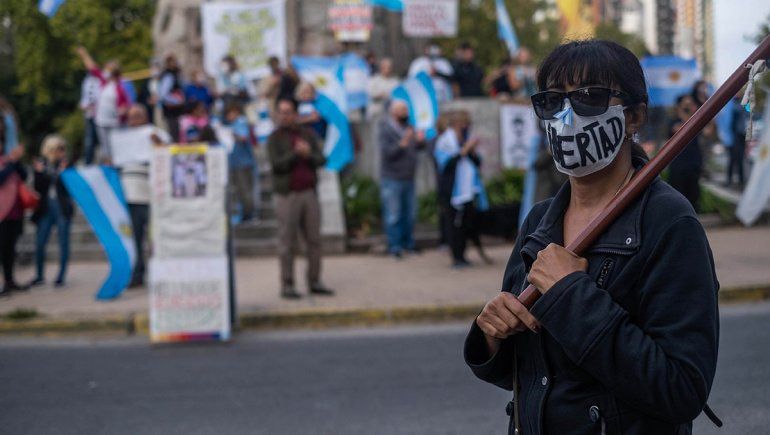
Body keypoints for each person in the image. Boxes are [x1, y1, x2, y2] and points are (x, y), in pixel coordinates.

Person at [465, 40, 719, 434]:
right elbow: (532, 374)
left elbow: (681, 389)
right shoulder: (538, 223)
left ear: (634, 116)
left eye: (590, 97)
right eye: (551, 101)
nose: (567, 115)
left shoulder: (668, 222)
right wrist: (492, 335)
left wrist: (571, 294)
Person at [267, 98, 334, 299]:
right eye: (281, 112)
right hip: (288, 194)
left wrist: (308, 155)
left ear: (295, 114)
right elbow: (276, 164)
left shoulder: (307, 134)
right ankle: (287, 284)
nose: (284, 116)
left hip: (309, 192)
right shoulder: (275, 138)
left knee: (314, 240)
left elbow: (321, 159)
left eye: (288, 112)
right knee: (287, 241)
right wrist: (295, 154)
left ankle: (314, 280)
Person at [120, 105, 170, 287]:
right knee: (135, 239)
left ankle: (161, 273)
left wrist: (158, 144)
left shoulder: (156, 133)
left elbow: (169, 155)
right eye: (131, 117)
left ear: (146, 116)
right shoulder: (122, 138)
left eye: (138, 116)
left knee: (155, 239)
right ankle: (138, 274)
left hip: (151, 196)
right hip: (130, 196)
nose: (134, 120)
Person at [434, 111, 490, 268]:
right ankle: (456, 257)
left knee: (466, 224)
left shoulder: (466, 140)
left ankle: (463, 256)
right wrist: (464, 150)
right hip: (452, 191)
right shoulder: (444, 142)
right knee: (453, 225)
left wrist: (470, 150)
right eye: (463, 124)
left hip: (468, 191)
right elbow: (446, 165)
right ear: (455, 125)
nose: (466, 127)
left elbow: (477, 162)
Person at [378, 100, 426, 258]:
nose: (405, 112)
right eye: (402, 110)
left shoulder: (409, 127)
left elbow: (419, 148)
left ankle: (408, 244)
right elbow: (387, 154)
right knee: (394, 215)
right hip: (392, 178)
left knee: (409, 214)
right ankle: (395, 247)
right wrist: (403, 143)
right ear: (393, 112)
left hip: (409, 177)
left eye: (406, 109)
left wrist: (420, 141)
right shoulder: (386, 130)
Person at [28, 135, 73, 288]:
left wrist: (58, 172)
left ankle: (61, 275)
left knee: (63, 243)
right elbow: (38, 187)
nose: (61, 152)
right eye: (58, 149)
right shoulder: (41, 164)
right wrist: (42, 172)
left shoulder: (66, 165)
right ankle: (39, 275)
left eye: (62, 149)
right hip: (46, 208)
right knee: (40, 242)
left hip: (62, 207)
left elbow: (66, 185)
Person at [76, 46, 131, 163]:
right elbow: (92, 67)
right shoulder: (104, 82)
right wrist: (84, 54)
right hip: (101, 122)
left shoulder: (120, 88)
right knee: (106, 151)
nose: (104, 71)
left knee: (116, 149)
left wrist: (120, 113)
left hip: (115, 123)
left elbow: (125, 106)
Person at [668, 94, 714, 211]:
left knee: (693, 199)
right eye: (686, 105)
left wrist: (710, 114)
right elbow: (680, 129)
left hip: (693, 165)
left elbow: (708, 132)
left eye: (691, 104)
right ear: (679, 107)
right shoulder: (674, 122)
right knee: (678, 199)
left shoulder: (696, 121)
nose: (689, 107)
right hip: (678, 167)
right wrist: (684, 113)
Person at [0, 140, 27, 296]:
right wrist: (12, 162)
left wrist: (17, 162)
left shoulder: (9, 161)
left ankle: (10, 281)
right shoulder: (6, 163)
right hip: (2, 213)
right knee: (2, 250)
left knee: (10, 249)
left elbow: (23, 176)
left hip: (15, 211)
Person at [224, 104, 258, 223]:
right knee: (240, 191)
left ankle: (250, 214)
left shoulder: (240, 123)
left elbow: (243, 137)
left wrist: (232, 134)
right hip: (235, 162)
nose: (229, 116)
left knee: (245, 190)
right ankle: (244, 213)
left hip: (243, 163)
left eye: (231, 113)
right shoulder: (232, 125)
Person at [158, 55, 185, 141]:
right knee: (174, 134)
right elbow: (163, 94)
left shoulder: (177, 74)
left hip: (178, 109)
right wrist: (176, 101)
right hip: (171, 110)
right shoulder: (168, 76)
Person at [79, 74, 101, 164]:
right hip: (90, 115)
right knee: (89, 141)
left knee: (100, 141)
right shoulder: (87, 80)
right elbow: (85, 98)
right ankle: (88, 162)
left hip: (100, 116)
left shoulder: (100, 79)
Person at [726, 95, 747, 187]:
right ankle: (731, 180)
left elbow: (748, 112)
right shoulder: (734, 106)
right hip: (735, 135)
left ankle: (740, 181)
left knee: (739, 159)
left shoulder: (742, 105)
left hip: (740, 135)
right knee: (734, 159)